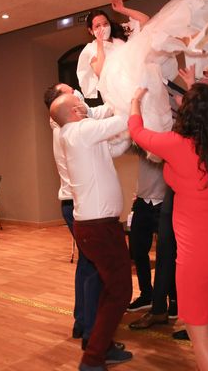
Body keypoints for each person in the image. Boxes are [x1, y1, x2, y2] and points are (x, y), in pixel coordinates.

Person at [129, 83, 208, 371]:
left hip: (197, 255)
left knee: (199, 334)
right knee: (206, 321)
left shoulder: (177, 145)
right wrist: (194, 89)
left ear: (188, 113)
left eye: (183, 101)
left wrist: (135, 102)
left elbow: (137, 132)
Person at [77, 0, 208, 138]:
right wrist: (100, 44)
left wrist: (123, 9)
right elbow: (101, 71)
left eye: (105, 23)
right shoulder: (91, 49)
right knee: (152, 36)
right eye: (97, 26)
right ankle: (189, 36)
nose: (103, 28)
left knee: (158, 26)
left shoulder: (121, 38)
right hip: (123, 82)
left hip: (144, 69)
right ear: (90, 31)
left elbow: (145, 20)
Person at [50, 92, 133, 371]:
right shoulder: (80, 130)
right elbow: (121, 120)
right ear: (76, 111)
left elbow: (116, 147)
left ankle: (103, 346)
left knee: (107, 288)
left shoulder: (80, 136)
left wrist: (134, 133)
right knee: (120, 291)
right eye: (79, 101)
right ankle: (93, 358)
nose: (84, 103)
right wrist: (135, 98)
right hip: (99, 227)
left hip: (96, 225)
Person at [43, 83, 109, 346]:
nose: (78, 95)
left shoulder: (61, 125)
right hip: (79, 204)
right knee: (94, 267)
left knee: (86, 264)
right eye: (71, 92)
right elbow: (107, 121)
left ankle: (82, 321)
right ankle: (92, 331)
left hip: (72, 203)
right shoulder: (70, 129)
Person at [127, 155, 166, 311]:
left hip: (164, 200)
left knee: (166, 255)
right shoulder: (141, 138)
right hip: (143, 200)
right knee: (138, 251)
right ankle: (146, 295)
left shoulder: (169, 133)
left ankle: (170, 299)